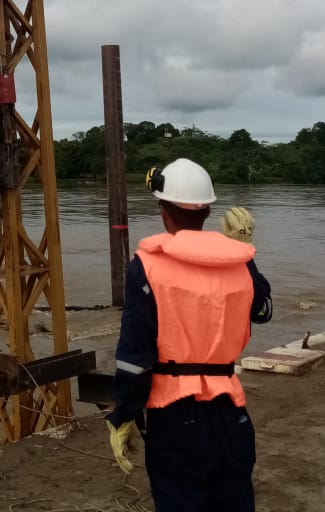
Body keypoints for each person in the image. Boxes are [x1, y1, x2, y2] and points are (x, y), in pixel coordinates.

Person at [106, 157, 272, 512]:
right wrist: (245, 252)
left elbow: (134, 359)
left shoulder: (148, 267)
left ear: (163, 211)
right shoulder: (239, 264)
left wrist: (123, 415)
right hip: (231, 413)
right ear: (208, 213)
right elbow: (263, 311)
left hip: (174, 419)